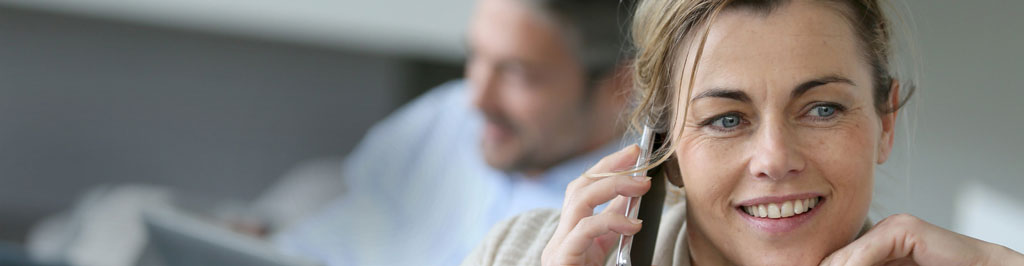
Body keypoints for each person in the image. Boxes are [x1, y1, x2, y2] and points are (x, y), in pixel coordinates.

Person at [463, 0, 1024, 265]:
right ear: (666, 149)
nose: (775, 159)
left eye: (823, 109)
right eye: (726, 119)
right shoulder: (519, 256)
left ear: (886, 123)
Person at [271, 0, 635, 265]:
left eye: (518, 74)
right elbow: (348, 212)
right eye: (475, 57)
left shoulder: (622, 224)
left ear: (620, 84)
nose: (477, 100)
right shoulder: (448, 116)